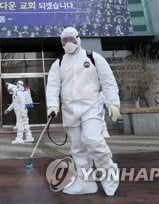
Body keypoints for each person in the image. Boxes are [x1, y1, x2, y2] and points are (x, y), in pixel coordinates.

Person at [45, 27, 121, 196]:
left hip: (91, 107)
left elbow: (108, 81)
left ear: (78, 39)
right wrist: (52, 105)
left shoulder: (93, 57)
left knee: (93, 139)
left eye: (71, 39)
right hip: (70, 110)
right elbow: (52, 86)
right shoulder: (58, 63)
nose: (68, 43)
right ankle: (86, 182)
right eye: (64, 41)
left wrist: (113, 103)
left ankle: (109, 175)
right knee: (78, 148)